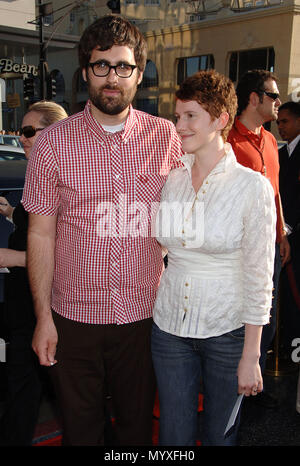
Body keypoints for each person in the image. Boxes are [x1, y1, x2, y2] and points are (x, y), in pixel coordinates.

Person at [21, 14, 182, 446]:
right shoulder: (54, 143)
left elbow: (186, 223)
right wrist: (43, 319)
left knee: (135, 431)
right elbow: (40, 234)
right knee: (80, 432)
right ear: (85, 70)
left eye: (123, 66)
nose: (113, 77)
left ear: (139, 72)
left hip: (145, 316)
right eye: (101, 66)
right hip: (71, 317)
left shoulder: (166, 138)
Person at [151, 69, 276, 446]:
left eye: (191, 116)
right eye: (178, 116)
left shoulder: (251, 187)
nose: (180, 125)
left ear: (221, 119)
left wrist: (252, 355)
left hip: (228, 333)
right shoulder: (172, 179)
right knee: (173, 436)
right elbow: (164, 247)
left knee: (221, 438)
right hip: (169, 329)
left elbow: (260, 276)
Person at [0, 101, 68, 446]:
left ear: (53, 132)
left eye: (28, 132)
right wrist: (14, 214)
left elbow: (67, 253)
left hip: (40, 310)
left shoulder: (59, 180)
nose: (21, 139)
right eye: (20, 132)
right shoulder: (37, 177)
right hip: (25, 308)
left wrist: (9, 257)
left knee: (26, 393)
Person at [227, 70, 290, 408]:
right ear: (254, 98)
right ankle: (234, 386)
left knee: (267, 317)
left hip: (270, 247)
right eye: (272, 95)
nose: (278, 102)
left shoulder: (269, 140)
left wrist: (282, 233)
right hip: (237, 250)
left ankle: (255, 386)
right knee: (241, 318)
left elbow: (274, 193)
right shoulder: (225, 140)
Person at [276, 101, 300, 412]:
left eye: (285, 121)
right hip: (283, 235)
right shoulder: (280, 153)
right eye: (279, 122)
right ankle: (286, 346)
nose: (280, 126)